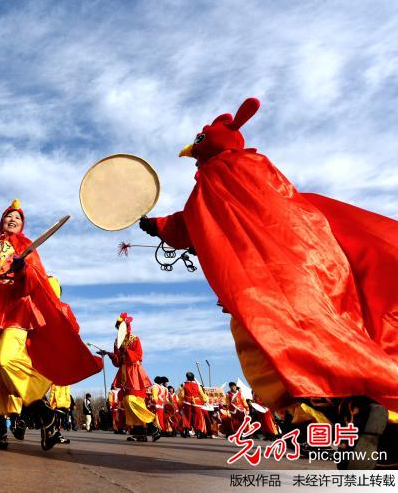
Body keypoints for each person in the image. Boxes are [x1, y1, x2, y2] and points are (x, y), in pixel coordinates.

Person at [140, 98, 397, 467]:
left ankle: (357, 413)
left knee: (269, 360)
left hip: (265, 285)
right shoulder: (262, 169)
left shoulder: (213, 178)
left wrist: (157, 225)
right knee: (334, 347)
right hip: (319, 272)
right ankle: (377, 427)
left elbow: (192, 222)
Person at [0, 199, 102, 450]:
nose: (12, 220)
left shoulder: (27, 246)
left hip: (15, 310)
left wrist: (23, 270)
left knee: (8, 360)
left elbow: (35, 282)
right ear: (1, 220)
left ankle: (45, 414)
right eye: (8, 216)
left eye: (17, 217)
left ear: (22, 223)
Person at [99, 314, 160, 442]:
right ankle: (139, 433)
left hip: (135, 373)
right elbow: (118, 362)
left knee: (133, 400)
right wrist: (111, 355)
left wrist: (126, 350)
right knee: (127, 402)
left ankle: (151, 425)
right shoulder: (117, 341)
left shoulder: (134, 338)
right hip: (125, 373)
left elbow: (138, 355)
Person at [179, 372, 209, 438]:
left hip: (187, 402)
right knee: (198, 417)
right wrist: (205, 400)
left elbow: (181, 395)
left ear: (187, 377)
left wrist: (180, 403)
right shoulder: (198, 385)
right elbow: (202, 394)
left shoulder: (183, 385)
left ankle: (186, 432)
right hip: (197, 403)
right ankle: (199, 431)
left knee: (187, 417)